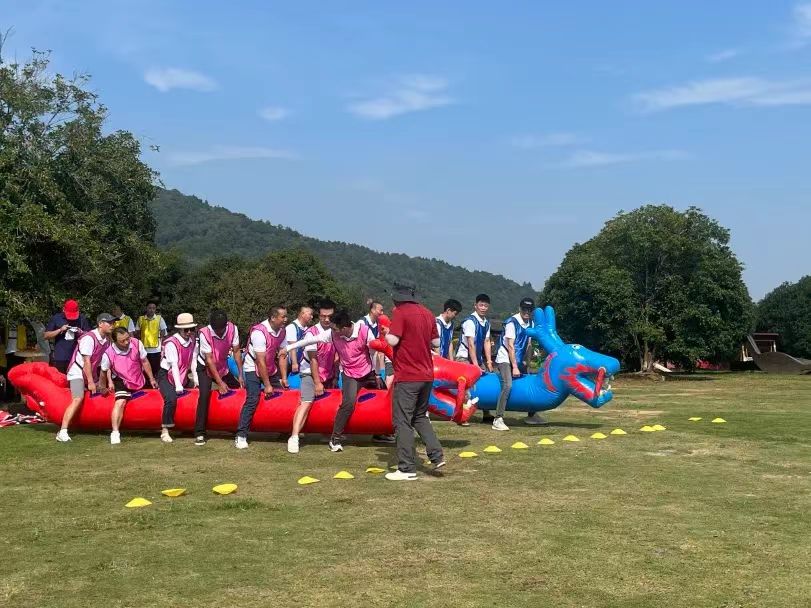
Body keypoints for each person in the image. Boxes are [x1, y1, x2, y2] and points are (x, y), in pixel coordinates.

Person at [286, 308, 383, 452]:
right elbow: (310, 340)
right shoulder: (332, 334)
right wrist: (288, 348)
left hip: (368, 371)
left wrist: (377, 374)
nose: (332, 330)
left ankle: (384, 432)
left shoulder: (364, 331)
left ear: (344, 328)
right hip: (350, 374)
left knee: (385, 395)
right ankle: (335, 439)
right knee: (348, 403)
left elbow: (374, 353)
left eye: (335, 328)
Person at [384, 281, 445, 481]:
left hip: (408, 375)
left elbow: (393, 340)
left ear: (397, 298)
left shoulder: (400, 313)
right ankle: (436, 455)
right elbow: (436, 342)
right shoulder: (428, 313)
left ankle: (406, 468)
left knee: (402, 421)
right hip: (426, 374)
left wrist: (386, 334)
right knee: (420, 416)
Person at [285, 300, 338, 454]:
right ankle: (294, 436)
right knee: (306, 401)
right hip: (309, 372)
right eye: (323, 316)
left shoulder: (336, 330)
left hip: (328, 372)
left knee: (329, 403)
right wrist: (317, 382)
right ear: (318, 315)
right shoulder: (311, 332)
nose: (326, 319)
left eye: (329, 316)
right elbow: (313, 359)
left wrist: (335, 375)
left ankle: (327, 433)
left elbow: (337, 354)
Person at [235, 306, 289, 449]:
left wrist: (284, 377)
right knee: (253, 398)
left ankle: (284, 431)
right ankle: (241, 434)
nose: (286, 319)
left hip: (270, 367)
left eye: (286, 316)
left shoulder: (282, 331)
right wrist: (267, 385)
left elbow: (282, 355)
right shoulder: (259, 332)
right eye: (283, 317)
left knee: (282, 397)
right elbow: (260, 361)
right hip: (253, 367)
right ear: (273, 318)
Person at [56, 313, 114, 442]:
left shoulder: (107, 341)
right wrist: (91, 382)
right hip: (77, 372)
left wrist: (108, 382)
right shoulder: (89, 338)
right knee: (78, 398)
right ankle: (62, 431)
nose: (112, 325)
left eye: (113, 323)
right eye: (109, 323)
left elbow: (107, 364)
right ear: (100, 324)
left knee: (105, 392)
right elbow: (86, 362)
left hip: (91, 373)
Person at [194, 309, 243, 446]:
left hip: (222, 365)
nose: (219, 332)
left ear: (226, 325)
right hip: (205, 367)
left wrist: (240, 374)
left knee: (236, 391)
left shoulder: (233, 329)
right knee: (204, 395)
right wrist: (220, 383)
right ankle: (200, 432)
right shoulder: (204, 333)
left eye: (222, 330)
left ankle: (233, 425)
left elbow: (236, 351)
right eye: (217, 330)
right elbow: (209, 360)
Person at [100, 327, 157, 444]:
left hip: (138, 377)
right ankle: (115, 432)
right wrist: (103, 386)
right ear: (115, 341)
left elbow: (145, 361)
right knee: (120, 402)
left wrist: (151, 379)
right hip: (121, 380)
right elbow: (103, 371)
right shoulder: (108, 353)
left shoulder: (137, 343)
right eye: (122, 341)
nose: (126, 342)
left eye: (128, 338)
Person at [492, 298, 536, 431]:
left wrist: (527, 363)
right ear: (519, 309)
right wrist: (515, 367)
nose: (527, 312)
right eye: (524, 309)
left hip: (518, 359)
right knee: (508, 385)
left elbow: (529, 344)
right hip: (505, 358)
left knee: (531, 381)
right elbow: (510, 346)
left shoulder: (531, 323)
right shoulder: (512, 323)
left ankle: (532, 415)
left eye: (530, 310)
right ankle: (498, 419)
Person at [158, 313, 198, 443]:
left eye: (192, 329)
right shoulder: (171, 343)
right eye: (186, 330)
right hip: (167, 375)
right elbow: (174, 365)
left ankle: (189, 425)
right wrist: (179, 385)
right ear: (180, 329)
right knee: (170, 398)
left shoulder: (193, 341)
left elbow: (193, 361)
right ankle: (165, 430)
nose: (189, 332)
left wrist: (196, 379)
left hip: (182, 374)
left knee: (198, 392)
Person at [456, 293, 495, 422]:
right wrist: (476, 366)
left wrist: (489, 362)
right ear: (475, 305)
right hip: (464, 358)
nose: (483, 308)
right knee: (466, 386)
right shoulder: (470, 321)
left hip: (477, 358)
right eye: (481, 305)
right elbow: (471, 344)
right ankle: (462, 415)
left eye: (485, 306)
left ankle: (486, 413)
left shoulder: (486, 323)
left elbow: (487, 341)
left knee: (486, 382)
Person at [44, 299, 92, 373]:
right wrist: (60, 330)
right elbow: (46, 336)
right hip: (61, 357)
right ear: (63, 309)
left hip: (77, 357)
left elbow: (90, 336)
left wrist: (80, 332)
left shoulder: (82, 319)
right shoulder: (57, 318)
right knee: (60, 378)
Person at [135, 301, 167, 379]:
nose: (151, 310)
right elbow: (137, 332)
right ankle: (147, 381)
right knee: (145, 368)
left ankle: (156, 381)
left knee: (156, 368)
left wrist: (160, 340)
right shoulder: (141, 319)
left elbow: (163, 331)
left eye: (153, 308)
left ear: (155, 309)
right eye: (150, 308)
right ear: (146, 308)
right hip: (144, 348)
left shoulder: (159, 318)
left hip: (156, 349)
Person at [285, 305, 313, 374]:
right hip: (289, 364)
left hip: (301, 362)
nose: (312, 317)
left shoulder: (307, 328)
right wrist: (294, 363)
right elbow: (292, 346)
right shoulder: (292, 327)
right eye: (310, 314)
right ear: (302, 314)